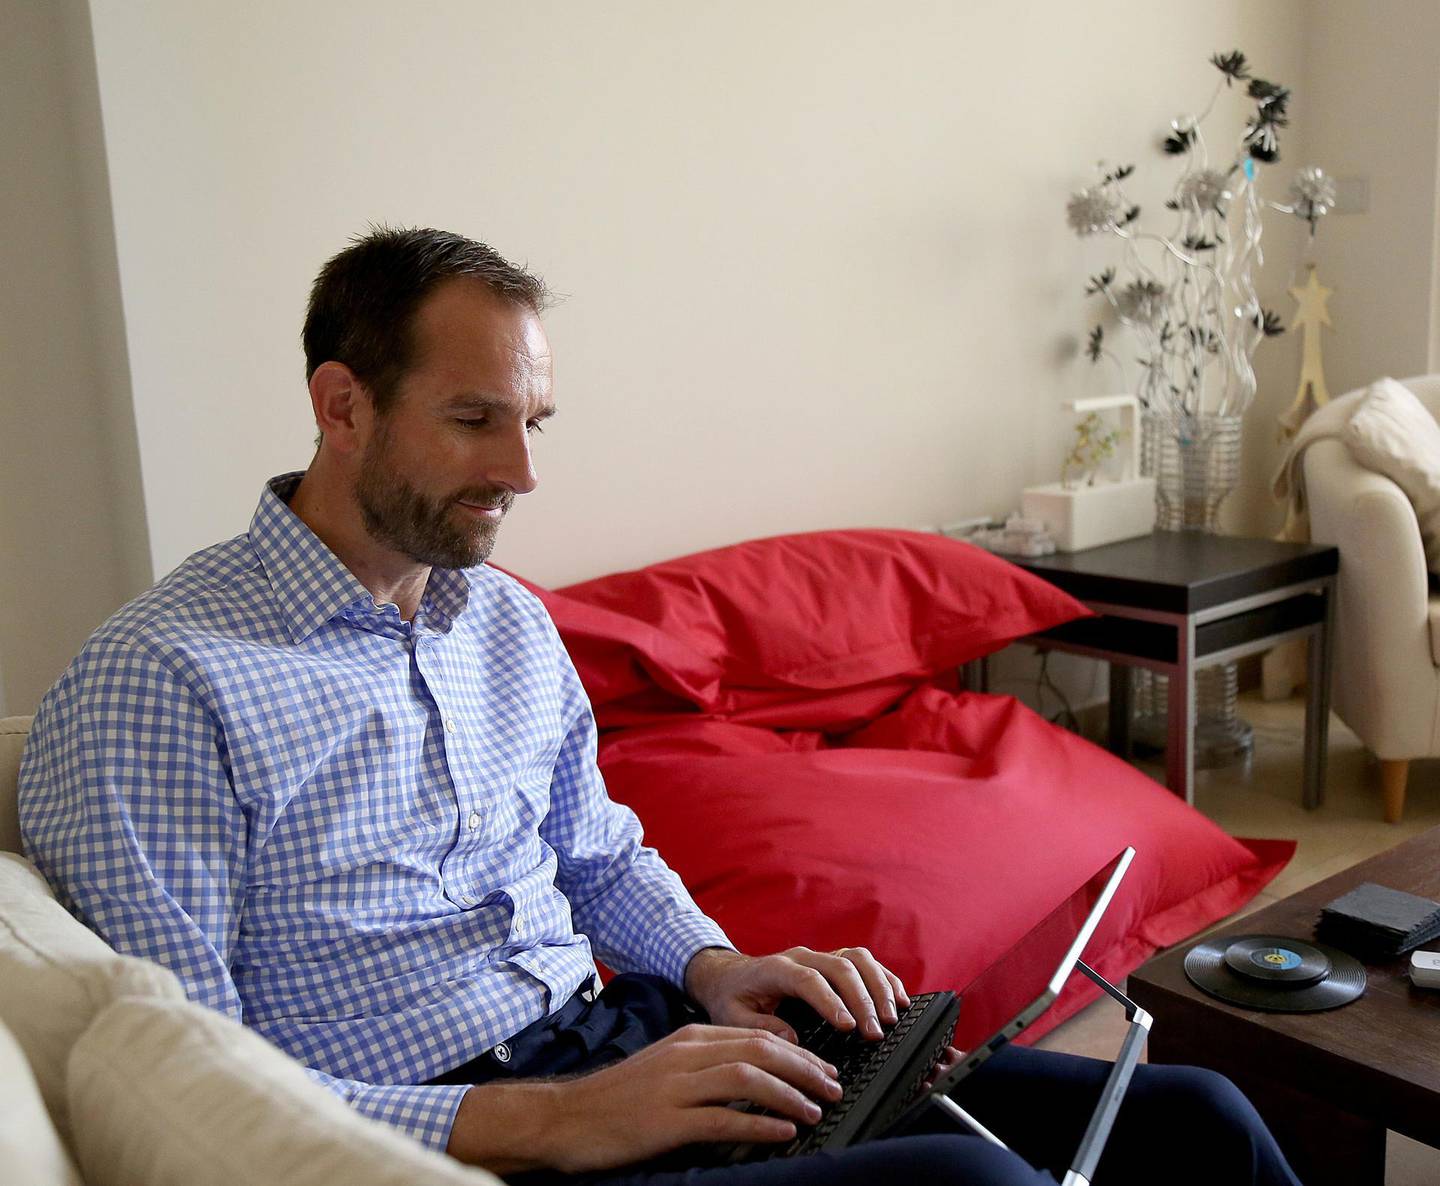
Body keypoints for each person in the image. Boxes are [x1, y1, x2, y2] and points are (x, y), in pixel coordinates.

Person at [19, 227, 1302, 1185]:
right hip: (465, 1133)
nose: (523, 472)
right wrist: (561, 1120)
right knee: (968, 1181)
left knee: (1195, 1119)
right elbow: (193, 1076)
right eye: (475, 420)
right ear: (340, 404)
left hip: (621, 1033)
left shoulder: (503, 619)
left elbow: (596, 852)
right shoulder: (161, 685)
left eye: (534, 421)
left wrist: (714, 967)